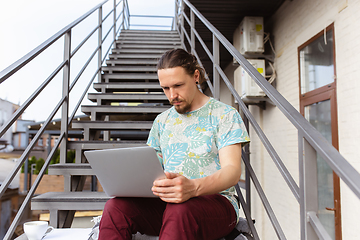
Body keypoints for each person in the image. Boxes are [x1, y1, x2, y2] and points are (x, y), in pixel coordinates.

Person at [98, 49, 250, 240]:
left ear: (196, 76)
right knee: (115, 207)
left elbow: (232, 172)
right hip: (169, 204)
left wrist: (193, 188)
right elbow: (151, 169)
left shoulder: (225, 115)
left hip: (217, 204)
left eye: (178, 85)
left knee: (180, 210)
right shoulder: (161, 121)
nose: (172, 95)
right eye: (165, 88)